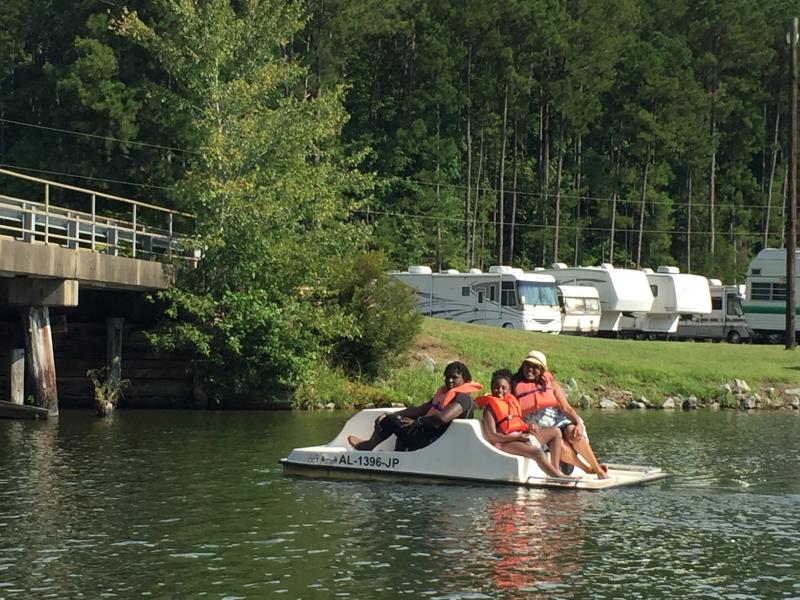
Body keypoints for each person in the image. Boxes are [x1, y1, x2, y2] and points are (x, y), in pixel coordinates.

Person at [512, 351, 609, 480]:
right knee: (561, 444)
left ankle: (598, 470)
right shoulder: (516, 388)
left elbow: (566, 408)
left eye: (535, 367)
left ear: (542, 370)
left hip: (559, 422)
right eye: (527, 365)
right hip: (543, 431)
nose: (530, 369)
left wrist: (578, 424)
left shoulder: (552, 386)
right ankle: (587, 469)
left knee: (572, 432)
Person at [347, 361, 481, 452]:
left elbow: (442, 418)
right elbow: (419, 409)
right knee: (396, 419)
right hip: (427, 435)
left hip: (432, 441)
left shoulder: (463, 398)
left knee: (391, 422)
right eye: (447, 377)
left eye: (455, 377)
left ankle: (368, 446)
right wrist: (391, 413)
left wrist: (418, 421)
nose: (450, 380)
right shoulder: (445, 394)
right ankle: (399, 456)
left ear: (465, 379)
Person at [477, 369, 575, 479]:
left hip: (520, 437)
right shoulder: (489, 409)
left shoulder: (512, 403)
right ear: (491, 388)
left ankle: (555, 470)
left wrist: (529, 428)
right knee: (537, 452)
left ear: (509, 390)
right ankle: (559, 478)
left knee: (555, 432)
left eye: (503, 388)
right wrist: (517, 438)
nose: (500, 391)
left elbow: (517, 423)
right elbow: (492, 436)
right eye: (496, 387)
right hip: (505, 443)